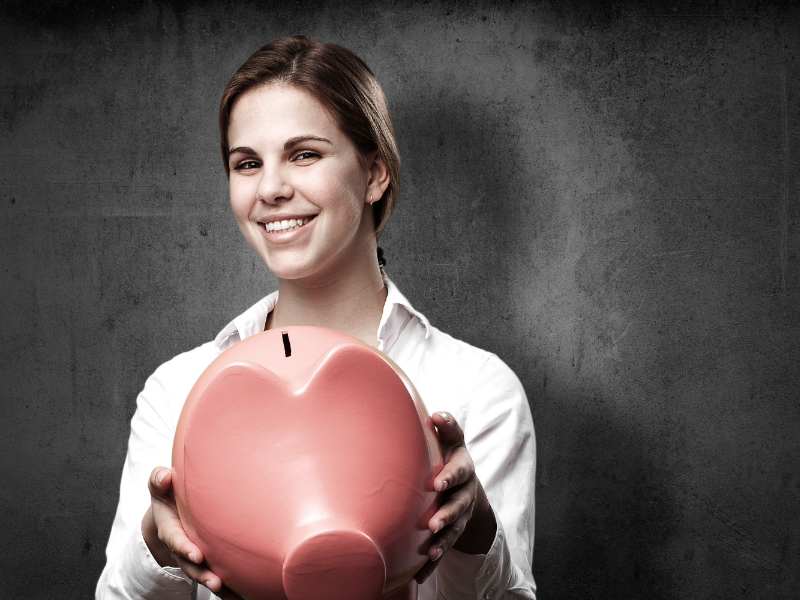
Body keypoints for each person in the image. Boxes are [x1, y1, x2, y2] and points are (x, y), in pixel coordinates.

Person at [95, 35, 536, 600]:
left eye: (304, 154)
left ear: (375, 173)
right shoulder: (179, 389)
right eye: (247, 163)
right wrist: (158, 549)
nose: (271, 189)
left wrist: (474, 530)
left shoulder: (477, 390)